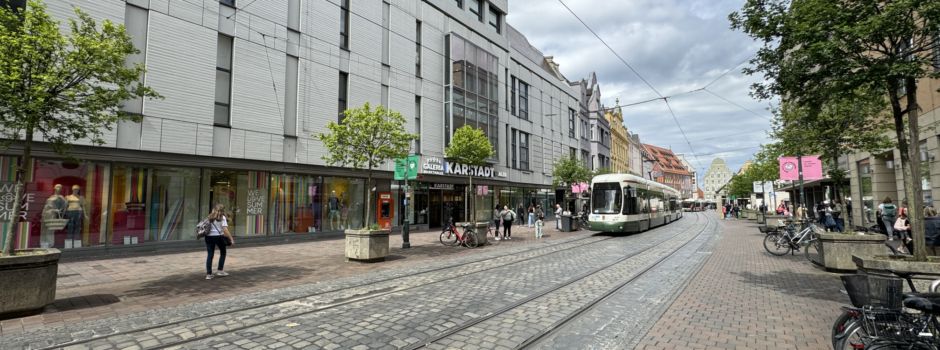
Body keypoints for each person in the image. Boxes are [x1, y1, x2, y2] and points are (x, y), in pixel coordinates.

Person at [204, 203, 235, 280]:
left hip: (208, 237)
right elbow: (225, 230)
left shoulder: (210, 216)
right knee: (223, 252)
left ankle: (209, 274)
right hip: (218, 237)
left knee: (210, 255)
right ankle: (220, 270)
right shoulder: (222, 217)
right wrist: (231, 239)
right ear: (222, 210)